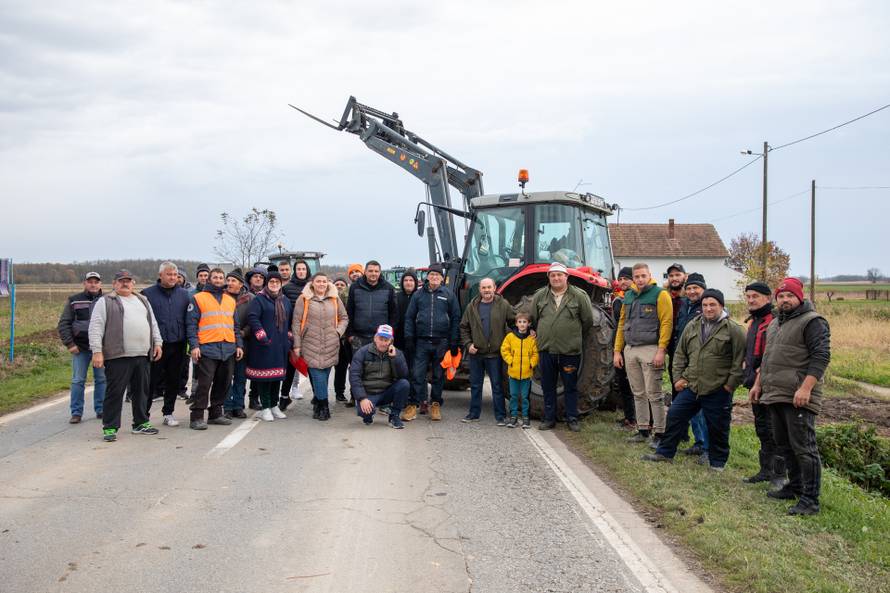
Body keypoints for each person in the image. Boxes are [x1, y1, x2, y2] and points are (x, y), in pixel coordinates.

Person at [750, 278, 830, 516]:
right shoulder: (775, 324)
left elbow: (821, 357)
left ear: (800, 297)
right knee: (784, 444)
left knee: (804, 447)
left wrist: (806, 388)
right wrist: (758, 384)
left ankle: (810, 499)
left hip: (798, 395)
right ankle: (794, 487)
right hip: (775, 393)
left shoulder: (813, 322)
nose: (785, 300)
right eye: (781, 296)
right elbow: (767, 359)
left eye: (790, 296)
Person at [642, 289, 745, 471]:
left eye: (713, 304)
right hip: (692, 385)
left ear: (721, 305)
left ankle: (717, 463)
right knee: (674, 415)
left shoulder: (734, 330)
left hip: (717, 388)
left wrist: (729, 386)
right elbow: (680, 354)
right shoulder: (693, 325)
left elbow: (739, 361)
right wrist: (678, 378)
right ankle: (665, 453)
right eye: (705, 305)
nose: (708, 308)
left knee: (718, 427)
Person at [88, 270, 163, 442]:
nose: (125, 284)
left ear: (133, 283)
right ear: (114, 284)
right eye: (121, 281)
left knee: (141, 392)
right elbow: (96, 327)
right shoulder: (105, 301)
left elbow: (153, 323)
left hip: (142, 353)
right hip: (117, 355)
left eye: (128, 281)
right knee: (115, 392)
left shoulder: (142, 300)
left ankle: (140, 423)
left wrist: (157, 343)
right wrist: (97, 351)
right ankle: (110, 427)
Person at [528, 262, 594, 432]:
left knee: (570, 386)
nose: (556, 278)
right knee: (547, 386)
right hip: (546, 350)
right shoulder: (540, 296)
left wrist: (572, 336)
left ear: (566, 277)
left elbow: (587, 321)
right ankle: (549, 418)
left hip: (569, 351)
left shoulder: (579, 296)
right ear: (549, 278)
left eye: (559, 275)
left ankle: (572, 418)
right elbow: (534, 319)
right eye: (553, 275)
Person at [614, 263, 673, 447]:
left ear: (649, 275)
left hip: (651, 349)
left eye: (643, 276)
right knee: (638, 393)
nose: (640, 279)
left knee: (654, 393)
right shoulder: (628, 296)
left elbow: (666, 322)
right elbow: (622, 324)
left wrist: (661, 350)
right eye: (637, 277)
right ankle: (643, 429)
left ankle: (660, 433)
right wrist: (617, 351)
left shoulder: (660, 294)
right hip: (630, 349)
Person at [186, 268, 243, 430]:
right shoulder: (198, 298)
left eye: (221, 277)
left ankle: (215, 413)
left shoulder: (230, 300)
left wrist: (239, 345)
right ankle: (196, 416)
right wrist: (194, 346)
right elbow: (191, 325)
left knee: (223, 382)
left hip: (228, 347)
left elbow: (235, 326)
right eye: (215, 277)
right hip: (207, 348)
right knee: (204, 384)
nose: (218, 280)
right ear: (209, 280)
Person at [404, 263, 461, 422]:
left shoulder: (448, 295)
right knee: (417, 374)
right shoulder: (418, 295)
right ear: (427, 277)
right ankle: (413, 405)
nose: (434, 277)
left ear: (442, 278)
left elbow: (456, 318)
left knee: (438, 376)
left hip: (441, 342)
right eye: (432, 275)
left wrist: (454, 341)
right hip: (421, 342)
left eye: (437, 275)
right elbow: (409, 317)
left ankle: (435, 404)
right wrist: (409, 337)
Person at [740, 281, 783, 488]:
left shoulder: (774, 320)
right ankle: (765, 470)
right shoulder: (754, 321)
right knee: (762, 427)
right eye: (748, 296)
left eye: (755, 296)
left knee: (775, 429)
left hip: (770, 383)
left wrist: (758, 377)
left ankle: (779, 474)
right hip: (753, 381)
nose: (750, 300)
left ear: (768, 297)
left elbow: (771, 355)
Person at [292, 273, 348, 421]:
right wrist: (297, 345)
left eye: (324, 281)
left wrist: (338, 332)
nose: (321, 284)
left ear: (328, 283)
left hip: (331, 343)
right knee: (318, 376)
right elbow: (296, 323)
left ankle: (317, 402)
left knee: (324, 376)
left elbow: (344, 318)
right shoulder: (303, 299)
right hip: (310, 343)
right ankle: (324, 407)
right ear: (312, 283)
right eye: (318, 281)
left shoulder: (335, 298)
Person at [459, 277, 515, 424]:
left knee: (497, 385)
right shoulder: (472, 306)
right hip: (476, 353)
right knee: (475, 385)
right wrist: (468, 344)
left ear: (494, 288)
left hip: (495, 354)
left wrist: (523, 335)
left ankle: (500, 416)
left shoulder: (503, 304)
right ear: (480, 290)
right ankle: (473, 414)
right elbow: (463, 327)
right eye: (484, 288)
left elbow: (514, 322)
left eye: (489, 287)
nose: (487, 290)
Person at [141, 261, 190, 427]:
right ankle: (143, 415)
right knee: (151, 381)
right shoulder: (147, 294)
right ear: (160, 275)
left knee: (173, 380)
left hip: (178, 344)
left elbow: (189, 319)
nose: (172, 277)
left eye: (175, 275)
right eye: (169, 274)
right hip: (156, 346)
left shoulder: (184, 295)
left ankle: (168, 412)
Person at [345, 260, 398, 407]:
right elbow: (349, 312)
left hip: (381, 338)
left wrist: (390, 337)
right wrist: (350, 334)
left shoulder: (388, 288)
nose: (373, 274)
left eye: (376, 271)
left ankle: (383, 401)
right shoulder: (355, 288)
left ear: (379, 272)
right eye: (370, 271)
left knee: (382, 370)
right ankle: (356, 396)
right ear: (365, 272)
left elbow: (394, 314)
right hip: (359, 336)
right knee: (357, 369)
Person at [57, 271, 106, 424]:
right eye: (90, 281)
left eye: (96, 282)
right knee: (78, 380)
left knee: (102, 379)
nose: (93, 284)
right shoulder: (74, 301)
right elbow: (64, 323)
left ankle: (101, 409)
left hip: (100, 349)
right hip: (80, 348)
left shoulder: (107, 300)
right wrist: (70, 344)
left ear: (100, 284)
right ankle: (76, 412)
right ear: (85, 283)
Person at [245, 268, 293, 421]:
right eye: (271, 281)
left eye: (276, 282)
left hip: (280, 345)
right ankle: (265, 407)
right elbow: (253, 317)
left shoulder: (284, 300)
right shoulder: (259, 299)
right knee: (265, 377)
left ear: (280, 284)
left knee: (276, 376)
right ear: (267, 283)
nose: (274, 284)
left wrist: (289, 336)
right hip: (264, 344)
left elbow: (289, 320)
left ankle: (274, 405)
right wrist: (260, 334)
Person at [672, 273, 709, 458]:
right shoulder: (685, 305)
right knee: (693, 408)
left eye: (696, 288)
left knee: (702, 409)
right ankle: (699, 442)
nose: (692, 291)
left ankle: (707, 447)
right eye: (689, 288)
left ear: (703, 289)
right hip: (686, 362)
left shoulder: (707, 307)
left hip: (701, 364)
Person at [350, 324, 410, 429]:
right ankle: (368, 414)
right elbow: (354, 376)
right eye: (380, 339)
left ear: (391, 341)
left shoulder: (397, 354)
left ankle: (394, 416)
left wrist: (394, 359)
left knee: (404, 384)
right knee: (364, 414)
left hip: (386, 392)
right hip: (368, 393)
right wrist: (362, 398)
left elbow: (403, 375)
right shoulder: (362, 352)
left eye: (386, 340)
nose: (383, 343)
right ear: (375, 338)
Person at [223, 268, 254, 419]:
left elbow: (253, 319)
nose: (229, 283)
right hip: (226, 343)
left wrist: (243, 333)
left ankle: (239, 406)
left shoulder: (250, 299)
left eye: (233, 280)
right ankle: (227, 407)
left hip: (244, 343)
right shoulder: (221, 297)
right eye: (228, 280)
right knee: (227, 377)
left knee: (241, 378)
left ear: (241, 284)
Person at [280, 260, 311, 408]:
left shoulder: (312, 287)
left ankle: (318, 397)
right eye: (298, 269)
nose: (300, 271)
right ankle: (284, 396)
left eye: (303, 269)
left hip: (310, 332)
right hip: (293, 331)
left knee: (312, 366)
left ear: (307, 271)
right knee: (291, 365)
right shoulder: (287, 288)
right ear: (295, 271)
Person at [500, 311, 538, 429]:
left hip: (526, 374)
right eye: (520, 322)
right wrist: (510, 361)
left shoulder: (531, 339)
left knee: (525, 397)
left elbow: (535, 354)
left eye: (524, 322)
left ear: (529, 324)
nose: (522, 324)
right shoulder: (510, 337)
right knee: (514, 396)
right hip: (513, 373)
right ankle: (513, 417)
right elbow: (504, 350)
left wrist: (531, 364)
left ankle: (526, 418)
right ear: (516, 324)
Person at [611, 267, 635, 429]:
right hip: (620, 347)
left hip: (633, 347)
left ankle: (647, 421)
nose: (623, 281)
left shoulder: (635, 299)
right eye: (620, 279)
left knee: (637, 385)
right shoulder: (618, 299)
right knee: (624, 384)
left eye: (626, 278)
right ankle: (629, 418)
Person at [394, 270, 420, 417]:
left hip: (416, 341)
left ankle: (416, 400)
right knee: (401, 371)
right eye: (406, 280)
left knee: (415, 372)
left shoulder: (419, 297)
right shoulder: (397, 298)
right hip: (399, 340)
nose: (408, 283)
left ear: (415, 283)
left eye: (411, 280)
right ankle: (401, 399)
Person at [332, 277, 351, 402]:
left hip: (349, 337)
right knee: (340, 368)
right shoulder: (331, 299)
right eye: (337, 284)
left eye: (342, 284)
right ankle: (339, 392)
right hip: (335, 337)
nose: (339, 286)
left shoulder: (350, 299)